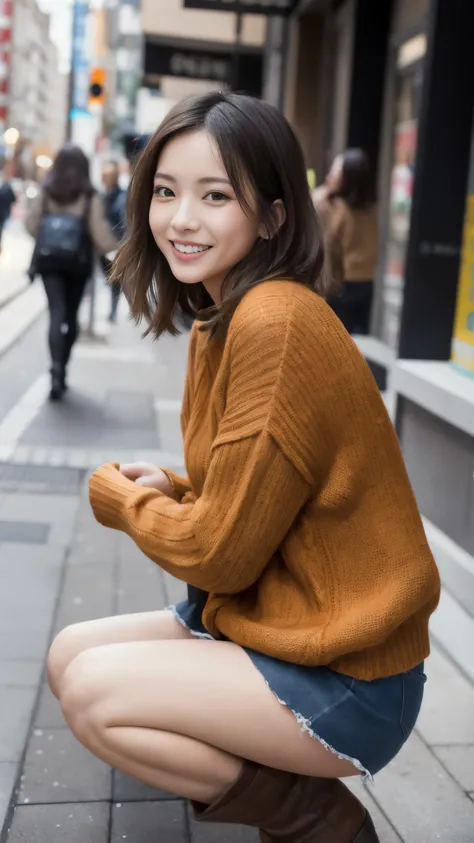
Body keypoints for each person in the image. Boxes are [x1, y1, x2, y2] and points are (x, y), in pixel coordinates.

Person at [46, 93, 440, 843]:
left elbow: (219, 553)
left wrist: (120, 500)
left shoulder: (275, 321)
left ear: (273, 215)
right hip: (284, 624)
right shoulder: (220, 316)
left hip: (349, 671)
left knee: (98, 696)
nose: (181, 218)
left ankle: (317, 819)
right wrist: (181, 488)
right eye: (165, 191)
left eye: (215, 195)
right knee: (69, 656)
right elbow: (264, 492)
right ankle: (265, 776)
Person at [26, 145, 118, 400]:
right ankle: (63, 367)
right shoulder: (89, 195)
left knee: (55, 312)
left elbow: (32, 225)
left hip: (49, 263)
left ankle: (54, 369)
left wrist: (51, 233)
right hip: (77, 264)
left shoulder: (46, 191)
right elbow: (100, 234)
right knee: (71, 316)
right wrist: (116, 248)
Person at [313, 149, 378, 335]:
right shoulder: (371, 210)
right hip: (366, 282)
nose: (328, 177)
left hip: (340, 284)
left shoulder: (334, 208)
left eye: (334, 173)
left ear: (347, 178)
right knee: (357, 341)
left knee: (333, 340)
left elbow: (326, 244)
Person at [101, 161, 127, 323]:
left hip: (116, 244)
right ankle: (111, 311)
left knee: (115, 281)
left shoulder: (121, 196)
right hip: (103, 245)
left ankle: (112, 311)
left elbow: (124, 221)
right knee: (109, 279)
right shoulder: (102, 196)